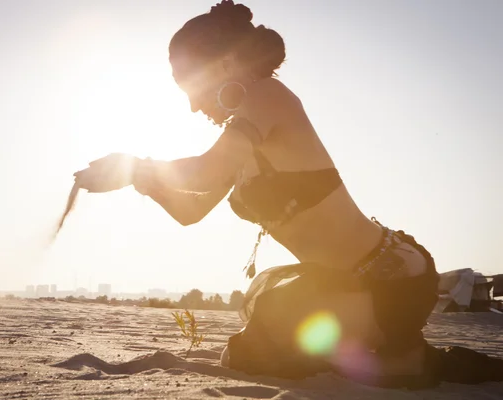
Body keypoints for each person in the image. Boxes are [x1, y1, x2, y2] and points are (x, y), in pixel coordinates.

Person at [72, 0, 500, 389]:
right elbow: (191, 210)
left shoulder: (268, 96)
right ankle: (392, 350)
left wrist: (132, 167)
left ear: (224, 63)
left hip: (390, 279)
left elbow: (204, 171)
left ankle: (407, 353)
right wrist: (144, 183)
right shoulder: (239, 136)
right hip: (340, 282)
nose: (191, 106)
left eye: (189, 84)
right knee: (250, 351)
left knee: (277, 356)